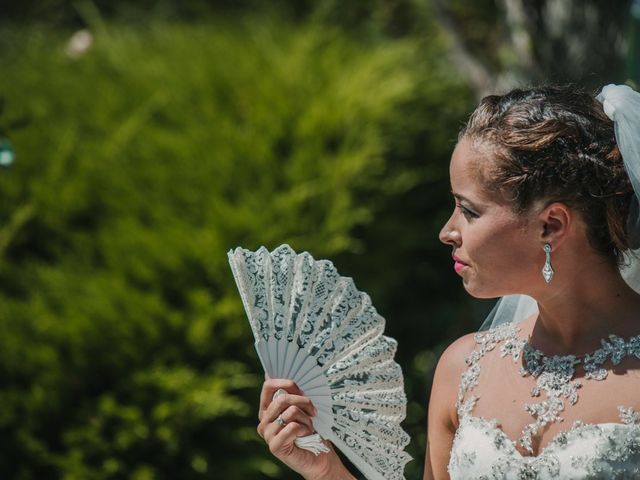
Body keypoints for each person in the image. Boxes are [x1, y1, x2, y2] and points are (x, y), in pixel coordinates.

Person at [256, 83, 640, 479]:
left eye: (469, 211)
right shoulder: (463, 367)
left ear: (551, 224)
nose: (447, 231)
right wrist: (324, 470)